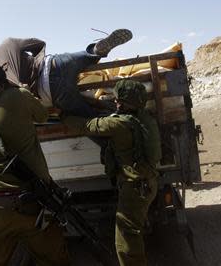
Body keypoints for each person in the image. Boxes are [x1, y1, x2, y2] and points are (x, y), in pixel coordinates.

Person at [0, 60, 70, 266]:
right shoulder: (19, 97)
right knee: (54, 260)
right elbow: (42, 115)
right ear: (0, 81)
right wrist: (18, 88)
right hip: (35, 202)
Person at [62, 79, 162, 266]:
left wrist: (63, 117)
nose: (115, 103)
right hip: (148, 182)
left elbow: (89, 126)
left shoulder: (119, 124)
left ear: (126, 103)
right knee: (132, 233)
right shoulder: (146, 119)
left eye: (118, 100)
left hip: (134, 188)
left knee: (125, 239)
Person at [0, 29, 133, 118]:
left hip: (50, 91)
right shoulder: (8, 43)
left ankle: (110, 116)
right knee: (85, 56)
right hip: (56, 63)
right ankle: (96, 50)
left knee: (88, 116)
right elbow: (39, 43)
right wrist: (37, 60)